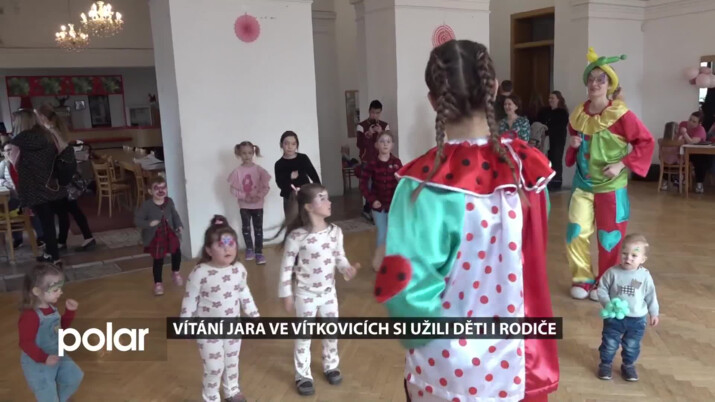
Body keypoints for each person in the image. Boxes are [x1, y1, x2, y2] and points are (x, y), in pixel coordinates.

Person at [374, 39, 559, 401]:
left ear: (433, 101)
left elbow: (408, 292)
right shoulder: (529, 170)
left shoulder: (422, 186)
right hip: (520, 364)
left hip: (448, 373)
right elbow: (533, 250)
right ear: (494, 88)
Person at [565, 47, 655, 301]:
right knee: (575, 232)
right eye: (591, 79)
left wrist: (622, 163)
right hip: (582, 185)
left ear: (609, 84)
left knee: (609, 238)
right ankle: (582, 278)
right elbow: (574, 144)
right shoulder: (578, 113)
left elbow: (645, 142)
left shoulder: (621, 114)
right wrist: (573, 145)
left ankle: (605, 281)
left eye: (600, 80)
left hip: (611, 187)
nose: (594, 84)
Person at [276, 183, 359, 396]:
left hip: (329, 293)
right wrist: (286, 294)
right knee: (304, 335)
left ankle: (331, 365)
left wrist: (347, 269)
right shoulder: (297, 237)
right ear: (308, 207)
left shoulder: (335, 232)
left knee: (331, 331)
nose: (329, 202)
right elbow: (286, 267)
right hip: (305, 295)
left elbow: (339, 257)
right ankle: (302, 375)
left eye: (327, 197)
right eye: (322, 198)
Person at [180, 215, 259, 402]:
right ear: (208, 250)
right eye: (221, 245)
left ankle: (232, 390)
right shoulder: (200, 272)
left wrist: (253, 313)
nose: (227, 249)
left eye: (231, 244)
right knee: (214, 367)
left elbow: (243, 292)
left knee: (232, 361)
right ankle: (211, 396)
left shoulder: (238, 269)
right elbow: (190, 300)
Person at [9, 108, 69, 265]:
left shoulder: (19, 140)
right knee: (50, 223)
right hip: (53, 185)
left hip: (34, 188)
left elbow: (14, 163)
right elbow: (62, 150)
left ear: (20, 122)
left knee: (45, 222)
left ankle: (54, 257)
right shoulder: (48, 136)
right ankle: (51, 253)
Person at [596, 234, 659, 382]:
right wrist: (607, 304)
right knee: (609, 343)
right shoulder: (612, 272)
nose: (628, 258)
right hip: (614, 317)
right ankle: (605, 364)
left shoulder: (644, 276)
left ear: (642, 259)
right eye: (625, 253)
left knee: (632, 345)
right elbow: (602, 289)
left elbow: (651, 295)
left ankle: (628, 365)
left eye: (634, 255)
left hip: (637, 319)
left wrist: (654, 312)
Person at [18, 264, 83, 401]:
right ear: (37, 291)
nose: (60, 292)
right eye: (55, 289)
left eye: (60, 288)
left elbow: (60, 329)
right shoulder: (30, 316)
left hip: (57, 354)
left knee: (74, 377)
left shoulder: (52, 309)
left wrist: (69, 312)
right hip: (38, 364)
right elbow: (25, 343)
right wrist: (43, 358)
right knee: (47, 395)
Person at [44, 110, 96, 252]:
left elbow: (59, 153)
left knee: (65, 210)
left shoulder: (52, 133)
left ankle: (65, 241)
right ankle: (78, 238)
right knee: (69, 209)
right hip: (65, 178)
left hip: (61, 179)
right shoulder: (58, 132)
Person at [359, 132, 402, 271]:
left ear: (392, 145)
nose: (385, 144)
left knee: (394, 233)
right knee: (382, 233)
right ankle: (379, 264)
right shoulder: (372, 164)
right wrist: (372, 200)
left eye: (388, 141)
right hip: (378, 206)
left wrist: (401, 181)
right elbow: (363, 184)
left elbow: (403, 183)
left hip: (394, 206)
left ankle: (393, 261)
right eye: (382, 141)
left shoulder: (397, 163)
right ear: (377, 145)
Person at [134, 176, 184, 296]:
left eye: (163, 187)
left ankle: (175, 272)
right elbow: (137, 220)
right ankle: (158, 283)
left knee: (177, 252)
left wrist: (179, 225)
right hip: (156, 237)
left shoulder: (169, 201)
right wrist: (149, 223)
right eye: (157, 188)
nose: (161, 191)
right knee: (158, 260)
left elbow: (174, 214)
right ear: (150, 191)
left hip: (170, 233)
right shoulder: (146, 205)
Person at [228, 141, 271, 265]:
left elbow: (266, 187)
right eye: (244, 153)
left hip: (258, 205)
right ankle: (249, 249)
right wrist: (244, 197)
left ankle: (259, 252)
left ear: (253, 153)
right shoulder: (237, 171)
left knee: (258, 229)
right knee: (246, 228)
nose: (247, 156)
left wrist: (259, 196)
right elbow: (233, 190)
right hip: (244, 206)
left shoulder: (259, 170)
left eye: (249, 153)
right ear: (239, 154)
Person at [0, 139, 45, 249]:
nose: (9, 153)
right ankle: (18, 239)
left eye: (11, 150)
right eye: (6, 151)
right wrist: (4, 183)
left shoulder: (24, 162)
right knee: (11, 207)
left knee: (33, 208)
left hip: (29, 195)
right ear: (3, 153)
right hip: (14, 196)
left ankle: (41, 236)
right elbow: (0, 178)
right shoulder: (3, 165)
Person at [356, 100, 391, 221]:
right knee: (368, 185)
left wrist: (381, 133)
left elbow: (388, 142)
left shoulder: (385, 126)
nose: (374, 115)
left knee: (380, 185)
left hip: (382, 159)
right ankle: (368, 209)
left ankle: (375, 209)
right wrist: (368, 134)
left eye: (377, 113)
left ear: (380, 112)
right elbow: (359, 145)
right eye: (372, 112)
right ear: (369, 111)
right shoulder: (361, 126)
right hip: (367, 160)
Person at [274, 131, 321, 216]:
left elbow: (313, 175)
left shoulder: (303, 158)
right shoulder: (279, 164)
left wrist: (319, 191)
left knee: (307, 219)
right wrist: (289, 177)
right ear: (281, 145)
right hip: (289, 199)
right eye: (286, 143)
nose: (290, 147)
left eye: (293, 144)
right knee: (292, 221)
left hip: (305, 196)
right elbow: (279, 183)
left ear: (297, 145)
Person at [538, 91, 570, 190]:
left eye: (552, 98)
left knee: (556, 159)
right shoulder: (545, 111)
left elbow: (559, 126)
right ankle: (546, 181)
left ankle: (556, 182)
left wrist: (548, 129)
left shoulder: (562, 112)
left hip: (557, 139)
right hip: (546, 138)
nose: (550, 100)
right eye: (549, 98)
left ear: (558, 99)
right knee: (546, 159)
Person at [678, 111, 710, 193]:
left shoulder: (700, 129)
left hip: (697, 153)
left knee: (701, 159)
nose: (690, 122)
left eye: (694, 121)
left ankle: (699, 183)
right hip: (683, 151)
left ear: (699, 123)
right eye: (690, 119)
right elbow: (677, 137)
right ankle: (678, 179)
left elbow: (692, 143)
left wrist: (684, 133)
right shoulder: (683, 124)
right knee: (672, 154)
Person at [658, 122, 682, 191]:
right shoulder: (679, 140)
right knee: (682, 160)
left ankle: (665, 182)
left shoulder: (661, 141)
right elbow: (680, 153)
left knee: (665, 164)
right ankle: (677, 179)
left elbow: (660, 153)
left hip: (665, 162)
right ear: (675, 130)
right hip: (676, 162)